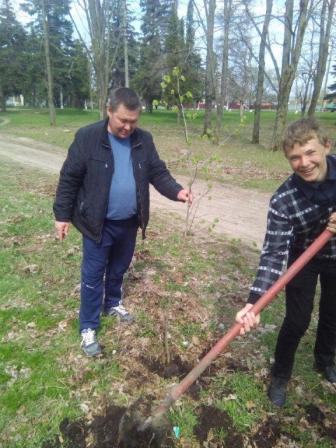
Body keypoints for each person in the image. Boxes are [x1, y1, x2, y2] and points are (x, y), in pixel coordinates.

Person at [53, 87, 192, 357]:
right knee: (93, 276)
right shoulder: (88, 137)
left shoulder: (143, 140)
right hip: (97, 223)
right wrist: (62, 215)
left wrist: (177, 191)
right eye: (122, 121)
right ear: (109, 112)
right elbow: (69, 178)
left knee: (118, 268)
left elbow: (157, 171)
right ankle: (89, 326)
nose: (128, 127)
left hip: (129, 222)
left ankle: (113, 302)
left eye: (133, 121)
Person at [235, 117, 336, 407]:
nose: (304, 162)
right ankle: (280, 375)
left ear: (326, 146)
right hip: (303, 260)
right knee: (297, 320)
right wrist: (255, 301)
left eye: (310, 152)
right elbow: (273, 253)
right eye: (295, 157)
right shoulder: (284, 199)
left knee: (332, 313)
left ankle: (324, 360)